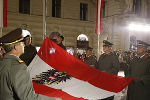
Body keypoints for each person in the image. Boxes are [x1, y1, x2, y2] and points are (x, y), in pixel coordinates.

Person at [0, 28, 58, 100]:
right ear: (15, 47)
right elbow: (28, 97)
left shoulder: (2, 62)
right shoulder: (19, 67)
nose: (24, 45)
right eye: (22, 42)